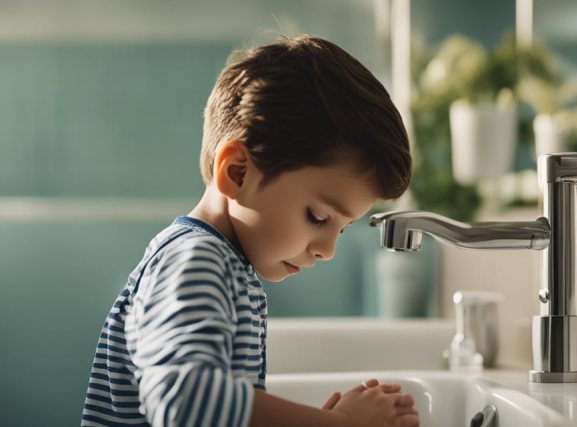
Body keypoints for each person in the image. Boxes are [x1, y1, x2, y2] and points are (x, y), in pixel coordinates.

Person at [82, 34, 418, 427]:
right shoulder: (195, 260)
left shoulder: (223, 265)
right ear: (238, 172)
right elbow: (184, 402)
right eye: (317, 217)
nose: (327, 250)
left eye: (341, 230)